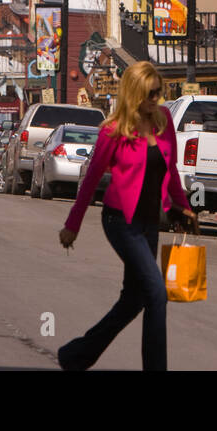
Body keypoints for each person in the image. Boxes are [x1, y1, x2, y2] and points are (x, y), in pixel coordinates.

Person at [57, 61, 197, 371]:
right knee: (157, 294)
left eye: (158, 93)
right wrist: (72, 225)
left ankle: (76, 355)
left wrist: (182, 206)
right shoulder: (113, 130)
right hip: (120, 221)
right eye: (150, 94)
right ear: (135, 94)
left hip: (149, 222)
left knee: (134, 299)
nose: (155, 100)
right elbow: (91, 179)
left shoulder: (163, 122)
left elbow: (170, 169)